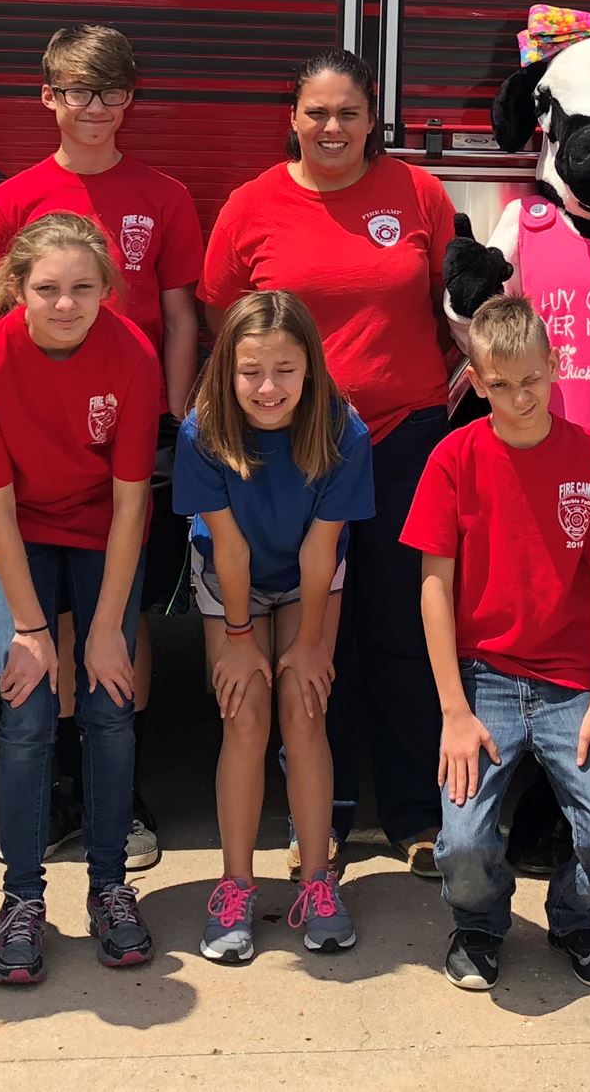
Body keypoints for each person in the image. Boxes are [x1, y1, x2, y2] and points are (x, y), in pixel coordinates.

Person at [201, 50, 461, 878]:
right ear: (293, 117)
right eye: (317, 112)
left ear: (372, 115)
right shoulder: (251, 205)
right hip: (292, 456)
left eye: (349, 112)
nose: (333, 128)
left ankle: (417, 815)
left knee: (403, 628)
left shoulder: (417, 194)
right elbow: (224, 323)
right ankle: (329, 817)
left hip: (401, 441)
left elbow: (454, 307)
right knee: (322, 635)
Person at [0, 24, 201, 874]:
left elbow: (180, 317)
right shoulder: (13, 200)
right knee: (52, 623)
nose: (94, 109)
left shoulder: (165, 195)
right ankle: (64, 781)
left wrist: (172, 423)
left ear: (131, 99)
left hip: (131, 430)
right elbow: (0, 325)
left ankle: (120, 783)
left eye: (110, 92)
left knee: (122, 614)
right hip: (36, 444)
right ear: (48, 97)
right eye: (77, 91)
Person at [406, 296, 590, 993]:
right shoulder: (454, 458)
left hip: (571, 682)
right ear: (476, 381)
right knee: (465, 843)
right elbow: (434, 588)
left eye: (532, 379)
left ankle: (574, 917)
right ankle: (478, 923)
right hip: (486, 680)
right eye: (500, 384)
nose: (519, 397)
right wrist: (453, 709)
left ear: (555, 366)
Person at [0, 212, 162, 981]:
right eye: (47, 289)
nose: (66, 303)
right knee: (29, 706)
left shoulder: (132, 355)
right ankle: (21, 898)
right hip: (18, 530)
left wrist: (108, 626)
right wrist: (35, 631)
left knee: (110, 700)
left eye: (83, 288)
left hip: (103, 526)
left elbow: (133, 499)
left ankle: (110, 886)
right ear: (19, 289)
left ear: (108, 289)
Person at [174, 290, 374, 963]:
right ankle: (234, 887)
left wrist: (314, 641)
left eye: (285, 370)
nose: (267, 387)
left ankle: (318, 881)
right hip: (230, 576)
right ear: (226, 369)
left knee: (305, 709)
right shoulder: (203, 430)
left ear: (311, 368)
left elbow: (323, 549)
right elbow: (226, 550)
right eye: (251, 370)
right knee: (245, 714)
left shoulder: (345, 431)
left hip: (307, 576)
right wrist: (235, 640)